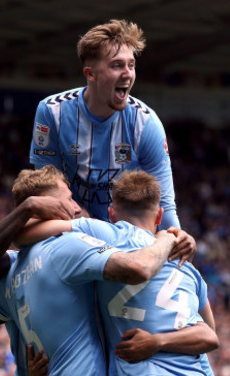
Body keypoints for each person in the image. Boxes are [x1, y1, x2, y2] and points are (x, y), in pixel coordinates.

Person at [0, 165, 180, 376]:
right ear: (48, 207)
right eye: (68, 198)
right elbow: (138, 267)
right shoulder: (70, 247)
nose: (76, 206)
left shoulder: (11, 268)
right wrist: (168, 238)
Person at [18, 170, 222, 376]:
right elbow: (210, 332)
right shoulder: (187, 265)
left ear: (112, 213)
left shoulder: (104, 233)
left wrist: (31, 208)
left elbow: (23, 235)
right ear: (159, 216)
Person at [29, 19, 179, 229]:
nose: (128, 73)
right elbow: (46, 190)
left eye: (131, 65)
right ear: (90, 74)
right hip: (72, 225)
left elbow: (164, 203)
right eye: (117, 65)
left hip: (127, 234)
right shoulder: (52, 111)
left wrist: (176, 239)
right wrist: (86, 222)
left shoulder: (146, 123)